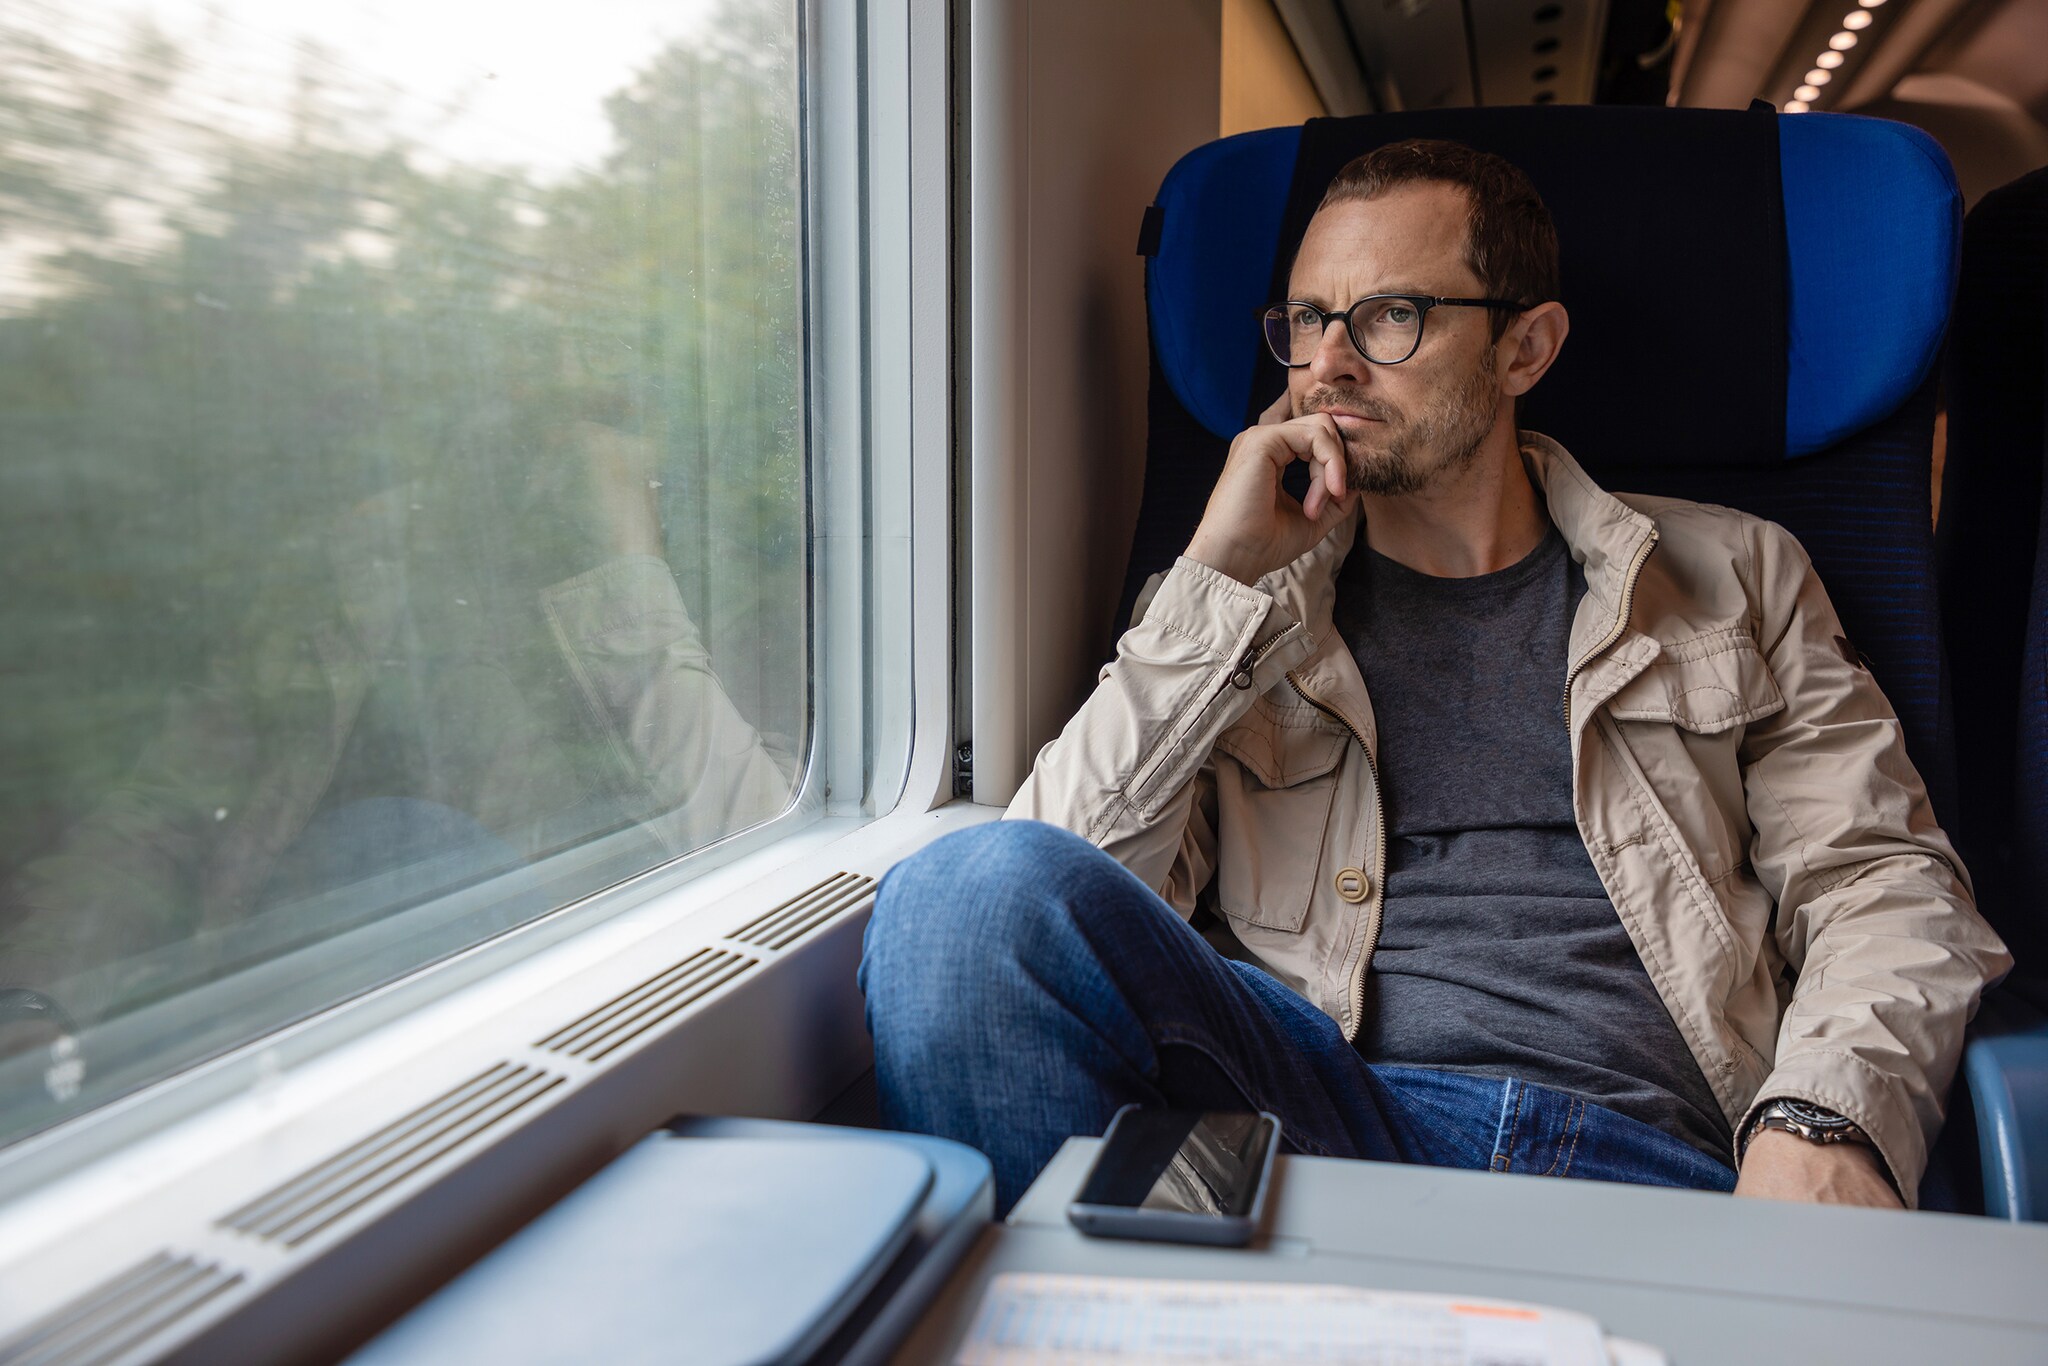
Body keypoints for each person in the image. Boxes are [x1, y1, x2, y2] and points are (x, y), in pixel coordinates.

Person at [860, 139, 2011, 1214]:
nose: (1326, 365)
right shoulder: (1243, 613)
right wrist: (1217, 579)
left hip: (1644, 1162)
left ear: (1526, 347)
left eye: (1389, 316)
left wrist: (1823, 1116)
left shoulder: (1731, 571)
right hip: (1322, 1135)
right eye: (1307, 319)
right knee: (952, 896)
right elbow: (1048, 902)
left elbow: (1879, 880)